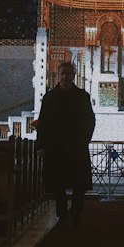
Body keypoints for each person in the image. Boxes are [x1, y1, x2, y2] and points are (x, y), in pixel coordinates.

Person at [32, 60, 96, 228]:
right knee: (57, 183)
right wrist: (41, 145)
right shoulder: (50, 97)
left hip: (76, 147)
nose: (65, 77)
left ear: (73, 76)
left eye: (68, 74)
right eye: (62, 74)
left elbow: (89, 120)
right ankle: (62, 214)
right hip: (56, 147)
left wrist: (84, 140)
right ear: (58, 76)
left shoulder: (82, 96)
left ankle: (76, 211)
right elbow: (43, 122)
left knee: (78, 183)